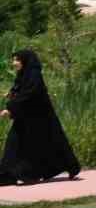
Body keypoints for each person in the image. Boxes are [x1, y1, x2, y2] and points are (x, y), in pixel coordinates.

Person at [0, 50, 80, 185]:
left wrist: (10, 109)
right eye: (14, 60)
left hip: (41, 120)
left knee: (51, 143)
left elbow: (29, 95)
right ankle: (7, 176)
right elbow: (21, 90)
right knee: (14, 145)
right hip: (26, 119)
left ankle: (71, 167)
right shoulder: (24, 74)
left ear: (25, 61)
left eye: (17, 60)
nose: (14, 63)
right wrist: (11, 93)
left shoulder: (34, 75)